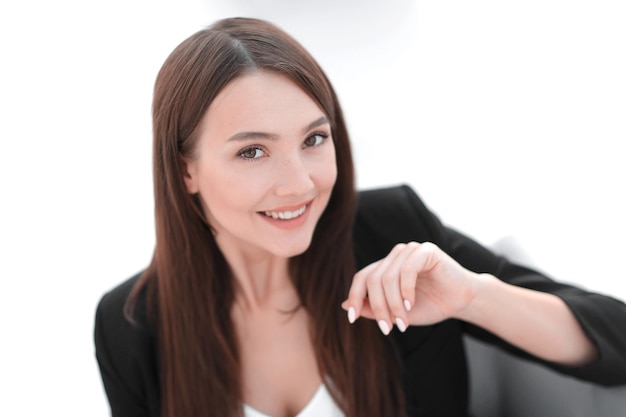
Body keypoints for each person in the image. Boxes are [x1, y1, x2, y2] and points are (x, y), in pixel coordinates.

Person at [94, 17, 626, 417]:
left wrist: (472, 297)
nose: (300, 183)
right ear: (185, 170)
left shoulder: (392, 235)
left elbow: (617, 343)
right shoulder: (132, 326)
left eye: (314, 139)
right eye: (252, 151)